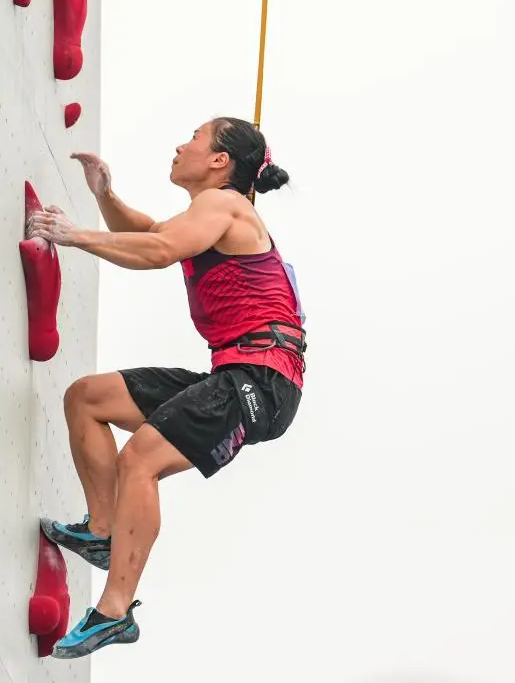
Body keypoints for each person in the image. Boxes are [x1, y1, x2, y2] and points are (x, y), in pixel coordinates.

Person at [29, 117, 307, 659]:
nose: (182, 145)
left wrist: (73, 235)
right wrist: (107, 198)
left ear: (220, 161)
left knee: (141, 460)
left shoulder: (225, 207)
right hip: (237, 373)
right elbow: (156, 233)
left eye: (196, 138)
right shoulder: (214, 212)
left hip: (262, 382)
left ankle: (115, 612)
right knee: (88, 399)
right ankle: (104, 532)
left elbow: (158, 254)